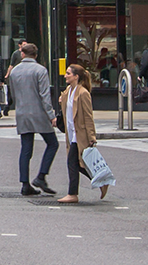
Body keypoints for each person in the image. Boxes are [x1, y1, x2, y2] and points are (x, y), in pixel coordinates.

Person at [8, 44, 57, 196]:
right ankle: (41, 176)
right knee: (52, 143)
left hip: (22, 112)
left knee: (26, 148)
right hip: (39, 113)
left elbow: (13, 94)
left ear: (22, 54)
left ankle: (24, 183)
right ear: (35, 55)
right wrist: (51, 115)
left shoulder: (14, 71)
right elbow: (44, 95)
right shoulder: (40, 70)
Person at [59, 64, 103, 203]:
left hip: (80, 134)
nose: (65, 75)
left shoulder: (83, 93)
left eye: (68, 73)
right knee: (77, 164)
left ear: (76, 76)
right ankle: (101, 181)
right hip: (71, 134)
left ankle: (73, 194)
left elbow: (88, 116)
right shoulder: (68, 91)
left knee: (73, 162)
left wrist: (91, 136)